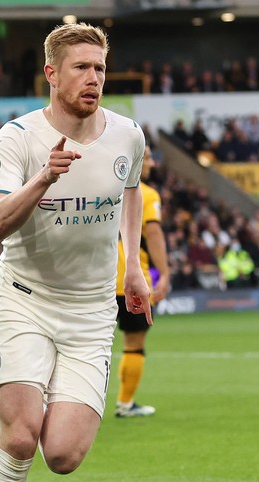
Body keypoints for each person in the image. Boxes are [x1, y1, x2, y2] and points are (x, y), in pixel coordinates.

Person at [0, 22, 151, 482]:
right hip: (24, 300)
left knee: (63, 456)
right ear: (52, 73)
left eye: (100, 68)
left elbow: (130, 192)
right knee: (20, 439)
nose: (94, 78)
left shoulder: (127, 135)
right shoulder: (18, 139)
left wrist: (134, 263)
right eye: (81, 68)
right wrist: (44, 177)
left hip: (92, 310)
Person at [114, 145, 170, 417]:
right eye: (147, 157)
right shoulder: (146, 194)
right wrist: (165, 272)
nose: (151, 163)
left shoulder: (104, 189)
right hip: (131, 279)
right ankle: (125, 403)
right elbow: (154, 233)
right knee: (133, 343)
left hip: (96, 278)